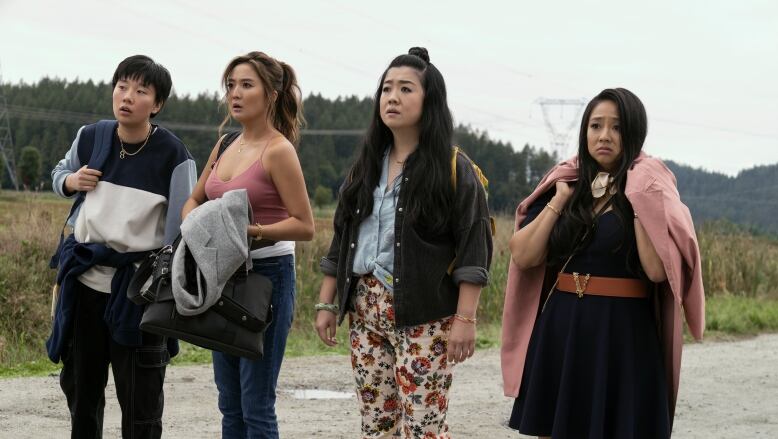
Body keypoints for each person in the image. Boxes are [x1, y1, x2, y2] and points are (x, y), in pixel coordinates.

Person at [502, 88, 705, 438]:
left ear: (634, 133)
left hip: (622, 331)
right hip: (564, 327)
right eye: (596, 126)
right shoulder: (566, 181)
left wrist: (640, 199)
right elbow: (523, 253)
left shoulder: (652, 186)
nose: (605, 136)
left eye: (617, 127)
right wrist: (559, 201)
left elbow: (657, 271)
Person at [314, 47, 493, 439]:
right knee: (376, 425)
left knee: (424, 427)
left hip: (425, 317)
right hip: (366, 312)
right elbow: (343, 239)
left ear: (430, 102)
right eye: (387, 89)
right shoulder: (366, 164)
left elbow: (474, 247)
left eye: (406, 89)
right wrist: (328, 302)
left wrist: (465, 319)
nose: (392, 97)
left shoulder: (453, 168)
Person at [48, 55, 197, 438]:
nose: (127, 96)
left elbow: (181, 232)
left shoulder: (174, 155)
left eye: (140, 90)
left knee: (141, 402)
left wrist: (165, 295)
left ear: (157, 103)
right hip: (84, 286)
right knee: (81, 393)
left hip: (137, 291)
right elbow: (60, 174)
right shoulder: (92, 136)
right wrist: (70, 181)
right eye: (122, 86)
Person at [181, 51, 314, 439]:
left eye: (246, 85)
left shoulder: (278, 150)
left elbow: (305, 225)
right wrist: (195, 222)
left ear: (271, 93)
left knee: (256, 404)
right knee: (230, 403)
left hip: (266, 279)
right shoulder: (224, 144)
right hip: (220, 274)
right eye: (230, 86)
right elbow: (194, 199)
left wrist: (253, 232)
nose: (235, 94)